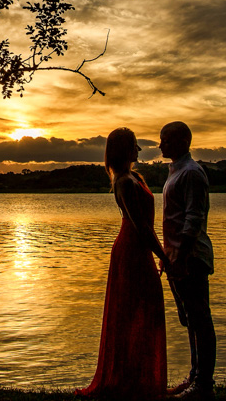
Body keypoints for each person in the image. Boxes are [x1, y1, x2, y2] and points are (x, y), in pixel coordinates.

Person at [79, 127, 170, 399]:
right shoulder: (123, 182)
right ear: (123, 149)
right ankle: (127, 379)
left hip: (139, 249)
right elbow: (141, 226)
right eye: (134, 145)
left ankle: (144, 377)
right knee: (132, 311)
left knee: (146, 310)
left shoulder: (135, 176)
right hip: (131, 250)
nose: (139, 151)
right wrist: (164, 256)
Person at [160, 120, 216, 400]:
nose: (160, 145)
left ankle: (203, 384)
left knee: (200, 318)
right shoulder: (176, 171)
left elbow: (193, 219)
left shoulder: (192, 173)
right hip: (177, 256)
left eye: (166, 140)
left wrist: (180, 255)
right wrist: (168, 256)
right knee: (190, 319)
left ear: (182, 141)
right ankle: (195, 377)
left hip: (190, 256)